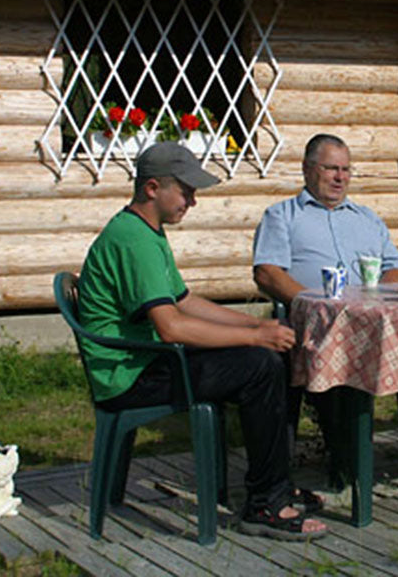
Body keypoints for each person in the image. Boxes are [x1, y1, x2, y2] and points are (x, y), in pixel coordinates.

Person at [77, 142, 326, 541]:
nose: (192, 201)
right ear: (153, 188)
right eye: (186, 191)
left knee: (265, 354)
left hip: (141, 361)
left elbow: (184, 301)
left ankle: (273, 481)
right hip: (129, 377)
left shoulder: (144, 231)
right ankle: (266, 503)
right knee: (260, 367)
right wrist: (253, 336)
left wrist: (255, 327)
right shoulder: (134, 241)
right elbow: (172, 327)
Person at [253, 133, 398, 485]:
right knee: (323, 350)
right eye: (331, 168)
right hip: (312, 323)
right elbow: (267, 272)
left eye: (346, 170)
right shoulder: (282, 216)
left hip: (372, 320)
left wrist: (379, 293)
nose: (340, 177)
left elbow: (394, 265)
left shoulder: (366, 218)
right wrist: (309, 305)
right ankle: (342, 454)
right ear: (308, 170)